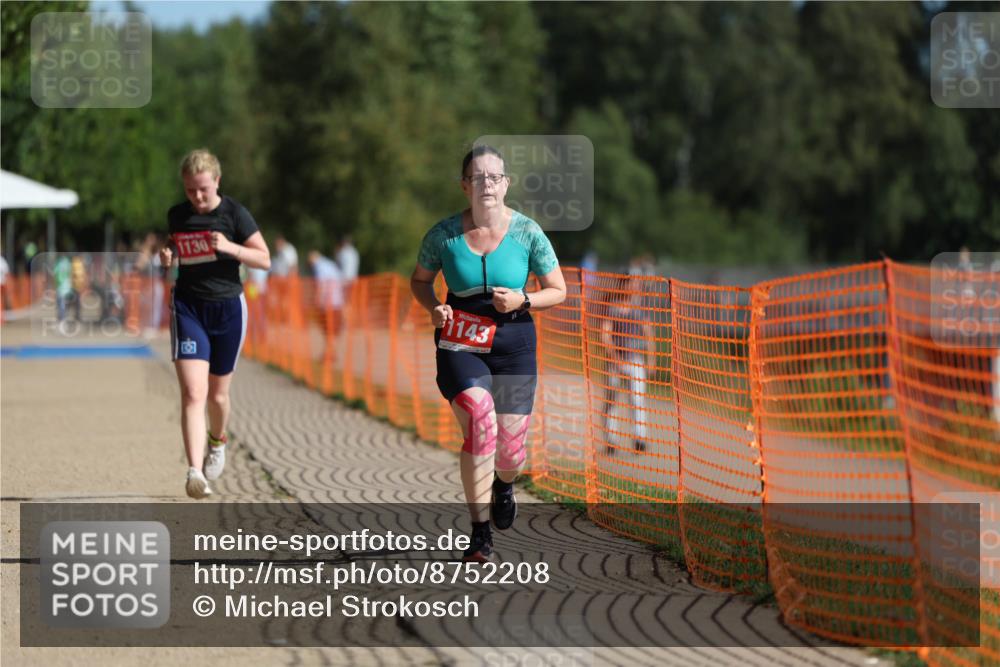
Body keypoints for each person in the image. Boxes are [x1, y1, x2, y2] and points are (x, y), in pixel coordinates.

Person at [410, 145, 567, 562]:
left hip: (514, 342)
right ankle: (480, 532)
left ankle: (504, 483)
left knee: (511, 450)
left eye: (494, 177)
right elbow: (420, 281)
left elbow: (559, 289)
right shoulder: (442, 235)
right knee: (480, 421)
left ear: (506, 184)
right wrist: (434, 307)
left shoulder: (528, 232)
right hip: (461, 340)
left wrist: (523, 301)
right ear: (464, 186)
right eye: (477, 178)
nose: (486, 185)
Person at [160, 149, 271, 499]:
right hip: (188, 307)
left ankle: (217, 441)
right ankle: (194, 472)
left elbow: (264, 259)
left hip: (227, 308)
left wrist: (230, 247)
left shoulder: (235, 214)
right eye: (191, 190)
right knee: (194, 393)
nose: (197, 197)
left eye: (203, 189)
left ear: (217, 181)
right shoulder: (178, 215)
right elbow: (173, 248)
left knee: (218, 396)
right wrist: (168, 257)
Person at [599, 274, 655, 454]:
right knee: (612, 400)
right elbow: (605, 333)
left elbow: (648, 334)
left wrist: (651, 358)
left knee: (637, 399)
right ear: (622, 285)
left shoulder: (639, 308)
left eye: (637, 285)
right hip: (615, 361)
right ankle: (611, 440)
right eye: (631, 284)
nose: (635, 288)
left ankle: (640, 438)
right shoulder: (612, 308)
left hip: (635, 360)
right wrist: (613, 355)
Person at [308, 249, 345, 334]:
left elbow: (320, 284)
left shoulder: (319, 266)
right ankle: (331, 344)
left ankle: (330, 345)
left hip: (327, 301)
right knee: (333, 325)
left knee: (327, 325)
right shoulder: (329, 263)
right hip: (337, 299)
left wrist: (316, 299)